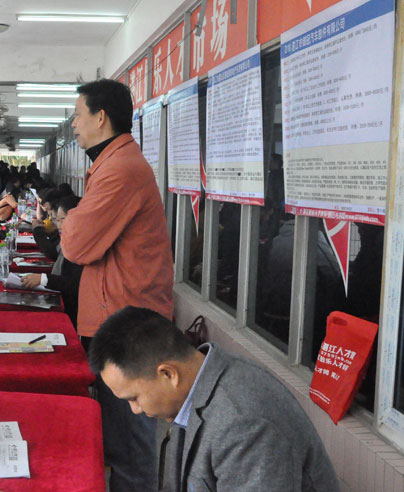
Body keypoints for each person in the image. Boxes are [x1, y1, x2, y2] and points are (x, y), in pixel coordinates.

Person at [59, 79, 174, 492]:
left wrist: (71, 219)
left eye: (78, 115)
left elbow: (75, 245)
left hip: (130, 330)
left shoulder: (120, 169)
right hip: (119, 318)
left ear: (101, 117)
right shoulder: (111, 164)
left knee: (130, 449)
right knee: (119, 442)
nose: (74, 125)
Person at [88, 307, 340, 492]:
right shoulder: (197, 384)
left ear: (168, 374)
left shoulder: (244, 423)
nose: (134, 410)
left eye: (134, 398)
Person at [21, 195, 83, 327]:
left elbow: (75, 283)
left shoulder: (82, 246)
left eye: (62, 220)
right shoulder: (67, 241)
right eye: (56, 220)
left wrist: (43, 279)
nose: (58, 225)